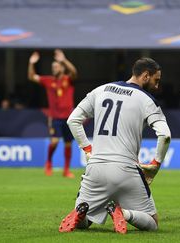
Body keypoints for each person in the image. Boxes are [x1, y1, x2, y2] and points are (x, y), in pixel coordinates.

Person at [58, 58, 171, 234]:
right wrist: (155, 165)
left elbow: (73, 120)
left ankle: (82, 213)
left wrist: (87, 149)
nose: (157, 86)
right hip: (126, 169)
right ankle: (123, 213)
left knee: (85, 221)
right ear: (145, 76)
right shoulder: (147, 100)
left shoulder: (100, 90)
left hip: (95, 168)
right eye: (156, 80)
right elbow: (165, 135)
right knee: (152, 222)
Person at [28, 49, 78, 178]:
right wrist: (31, 63)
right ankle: (48, 163)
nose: (54, 69)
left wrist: (64, 60)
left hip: (68, 118)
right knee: (54, 141)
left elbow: (74, 72)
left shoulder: (68, 79)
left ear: (62, 67)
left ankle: (66, 170)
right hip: (55, 118)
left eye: (56, 66)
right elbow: (31, 76)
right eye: (52, 67)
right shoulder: (48, 80)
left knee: (68, 143)